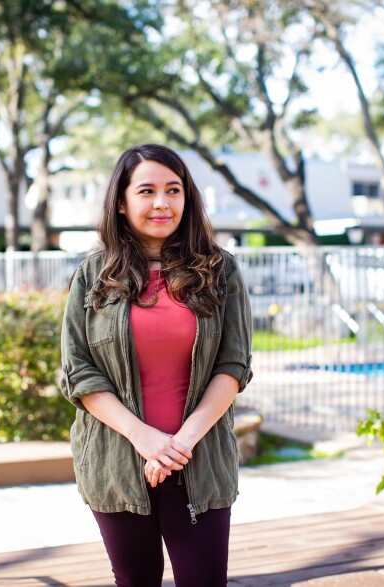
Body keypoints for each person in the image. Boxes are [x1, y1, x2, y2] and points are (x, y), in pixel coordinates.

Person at [60, 144, 253, 587]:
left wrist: (178, 445)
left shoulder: (220, 271)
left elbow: (233, 366)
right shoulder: (93, 277)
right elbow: (79, 371)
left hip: (199, 459)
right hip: (115, 459)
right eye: (146, 191)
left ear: (188, 199)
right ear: (123, 203)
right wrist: (146, 439)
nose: (162, 203)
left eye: (174, 190)